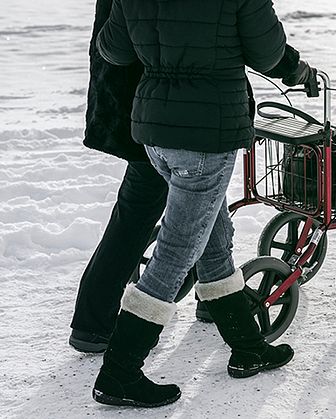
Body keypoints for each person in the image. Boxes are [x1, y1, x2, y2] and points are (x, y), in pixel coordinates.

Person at [91, 0, 317, 408]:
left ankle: (248, 346)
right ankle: (119, 372)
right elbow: (267, 53)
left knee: (213, 239)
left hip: (153, 130)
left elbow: (112, 50)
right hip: (206, 133)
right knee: (176, 253)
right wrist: (298, 70)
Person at [69, 0, 214, 355]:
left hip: (142, 102)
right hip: (161, 108)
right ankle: (93, 322)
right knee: (154, 205)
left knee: (202, 200)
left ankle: (213, 296)